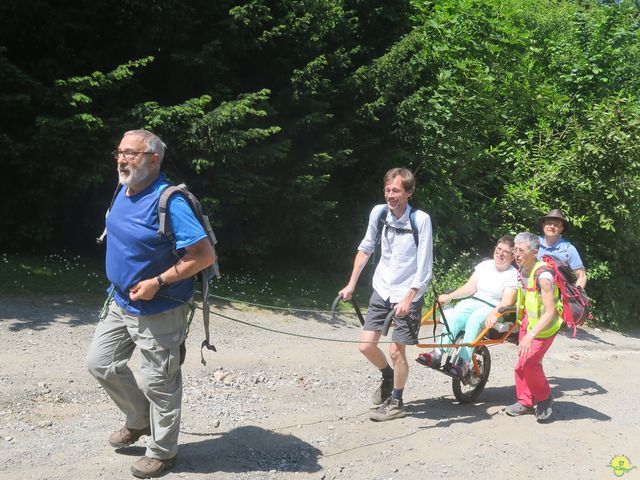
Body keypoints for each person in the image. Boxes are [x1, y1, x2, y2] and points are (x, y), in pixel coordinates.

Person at [86, 130, 216, 478]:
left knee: (160, 382)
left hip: (160, 306)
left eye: (130, 153)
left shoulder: (170, 201)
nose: (121, 159)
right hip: (120, 301)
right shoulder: (124, 189)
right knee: (101, 363)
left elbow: (203, 255)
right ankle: (139, 419)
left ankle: (163, 452)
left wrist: (158, 281)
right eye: (119, 152)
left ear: (154, 159)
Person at [339, 167, 433, 422]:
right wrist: (351, 284)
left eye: (396, 190)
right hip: (382, 288)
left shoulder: (421, 220)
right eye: (387, 190)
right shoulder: (379, 213)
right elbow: (366, 247)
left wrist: (408, 298)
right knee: (366, 346)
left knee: (395, 350)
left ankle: (397, 402)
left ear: (409, 193)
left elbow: (424, 267)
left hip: (407, 293)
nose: (391, 195)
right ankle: (388, 376)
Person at [416, 236, 518, 377]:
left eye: (505, 252)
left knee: (475, 319)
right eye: (499, 249)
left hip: (494, 308)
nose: (500, 253)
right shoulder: (485, 266)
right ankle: (437, 353)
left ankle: (464, 362)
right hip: (475, 300)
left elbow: (506, 301)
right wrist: (449, 296)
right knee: (458, 311)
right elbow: (470, 287)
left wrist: (493, 313)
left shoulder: (513, 275)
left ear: (512, 257)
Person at [505, 232, 561, 423]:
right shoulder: (522, 269)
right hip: (528, 324)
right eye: (515, 249)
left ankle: (545, 398)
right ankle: (525, 402)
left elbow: (550, 312)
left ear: (534, 252)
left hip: (545, 327)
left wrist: (531, 335)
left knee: (530, 364)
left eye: (521, 250)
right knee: (521, 365)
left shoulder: (543, 275)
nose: (516, 254)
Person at [538, 208, 587, 289]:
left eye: (556, 224)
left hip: (558, 298)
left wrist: (575, 297)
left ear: (561, 229)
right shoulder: (533, 243)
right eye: (549, 223)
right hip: (532, 296)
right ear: (543, 225)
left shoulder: (568, 249)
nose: (552, 226)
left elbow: (581, 276)